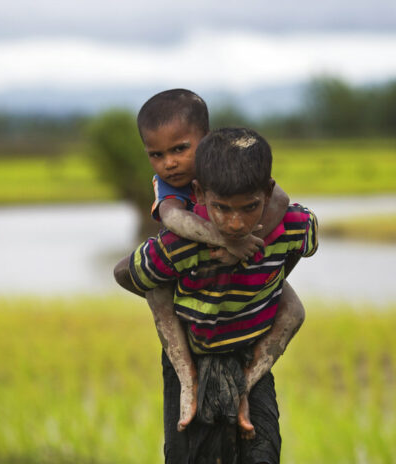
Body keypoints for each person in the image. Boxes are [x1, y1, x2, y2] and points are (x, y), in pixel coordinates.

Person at [115, 127, 318, 463]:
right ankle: (189, 382)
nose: (236, 224)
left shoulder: (292, 225)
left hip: (250, 352)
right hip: (191, 355)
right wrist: (176, 297)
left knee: (262, 452)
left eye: (249, 207)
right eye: (222, 208)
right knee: (185, 453)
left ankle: (246, 389)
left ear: (268, 194)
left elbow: (307, 239)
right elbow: (126, 273)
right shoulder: (182, 243)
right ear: (200, 192)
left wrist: (267, 280)